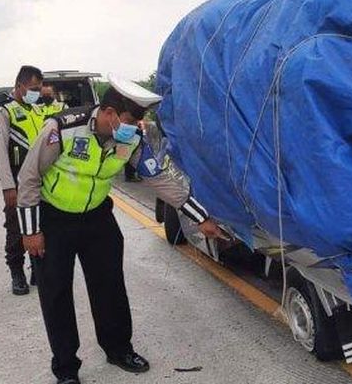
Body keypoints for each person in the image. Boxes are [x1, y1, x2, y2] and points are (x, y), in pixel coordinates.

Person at [16, 76, 223, 384]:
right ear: (109, 112)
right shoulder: (62, 129)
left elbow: (161, 180)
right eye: (130, 120)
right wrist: (31, 231)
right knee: (56, 293)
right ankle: (66, 367)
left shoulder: (130, 140)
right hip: (54, 219)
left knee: (110, 285)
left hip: (98, 218)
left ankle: (118, 349)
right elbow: (29, 178)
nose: (134, 127)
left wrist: (201, 217)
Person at [0, 65, 45, 295]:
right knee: (15, 230)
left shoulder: (38, 110)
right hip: (18, 183)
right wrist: (8, 187)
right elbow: (1, 153)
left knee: (40, 227)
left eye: (39, 89)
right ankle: (17, 272)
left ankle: (38, 270)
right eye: (33, 88)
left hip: (41, 182)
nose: (37, 92)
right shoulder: (3, 112)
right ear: (19, 86)